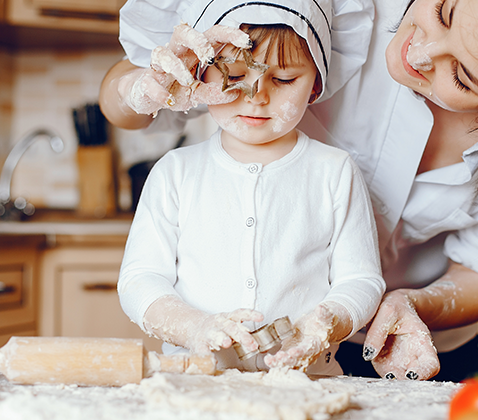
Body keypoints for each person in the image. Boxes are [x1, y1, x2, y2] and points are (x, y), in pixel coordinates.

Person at [103, 0, 478, 382]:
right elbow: (123, 98)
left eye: (462, 76)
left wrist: (405, 303)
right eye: (442, 11)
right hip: (254, 359)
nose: (419, 52)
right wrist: (144, 88)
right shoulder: (332, 18)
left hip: (419, 350)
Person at [116, 0, 386, 376]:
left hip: (308, 383)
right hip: (192, 383)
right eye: (235, 75)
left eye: (284, 79)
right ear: (198, 73)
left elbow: (361, 280)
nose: (257, 96)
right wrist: (191, 326)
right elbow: (139, 279)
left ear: (316, 84)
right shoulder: (175, 172)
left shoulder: (335, 171)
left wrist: (329, 321)